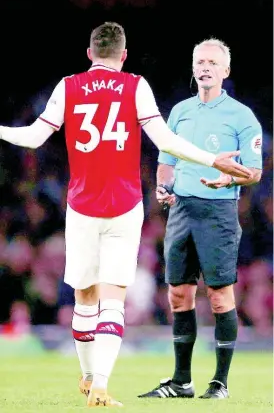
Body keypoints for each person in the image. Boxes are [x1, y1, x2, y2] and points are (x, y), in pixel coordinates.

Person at [0, 25, 252, 408]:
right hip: (124, 206)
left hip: (82, 206)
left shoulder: (68, 86)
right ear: (124, 55)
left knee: (84, 298)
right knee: (112, 298)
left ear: (89, 53)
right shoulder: (136, 86)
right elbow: (165, 141)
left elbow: (33, 137)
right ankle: (98, 384)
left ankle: (88, 378)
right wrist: (211, 158)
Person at [138, 38, 263, 400]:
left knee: (220, 295)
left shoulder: (241, 116)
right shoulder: (179, 112)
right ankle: (181, 382)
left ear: (225, 71)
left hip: (218, 213)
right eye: (199, 62)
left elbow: (253, 172)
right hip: (182, 211)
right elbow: (166, 160)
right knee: (178, 294)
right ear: (193, 69)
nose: (205, 67)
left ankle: (220, 383)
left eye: (212, 62)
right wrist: (164, 187)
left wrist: (228, 178)